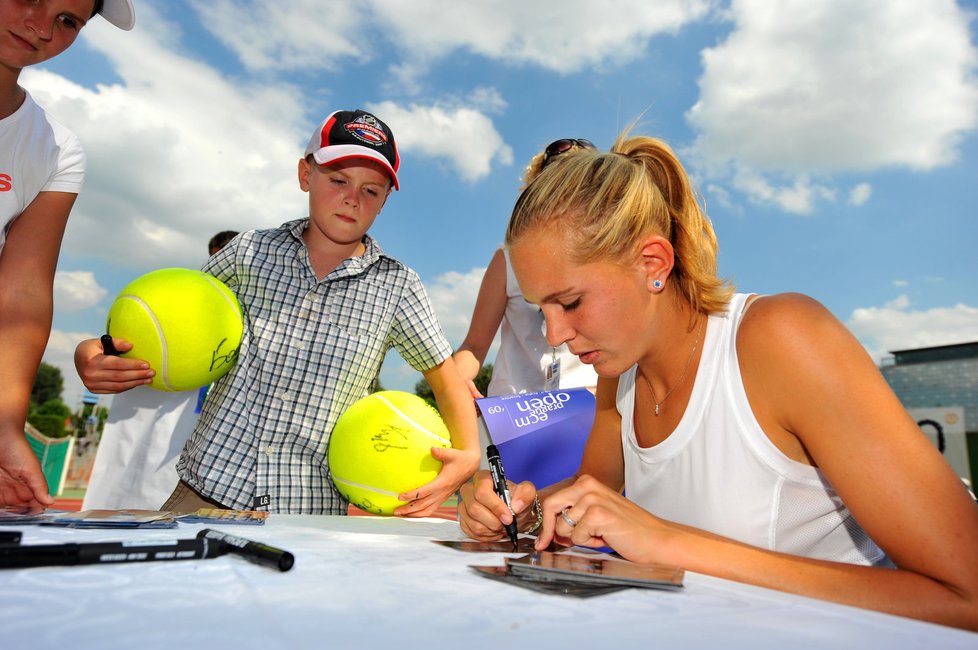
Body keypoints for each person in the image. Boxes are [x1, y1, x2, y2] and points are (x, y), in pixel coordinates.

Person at [457, 131, 978, 630]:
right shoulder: (619, 375)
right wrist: (518, 512)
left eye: (570, 302)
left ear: (653, 263)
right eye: (540, 307)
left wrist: (672, 544)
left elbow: (966, 595)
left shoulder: (784, 339)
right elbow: (585, 497)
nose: (554, 334)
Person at [76, 109, 480, 516]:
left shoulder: (398, 285)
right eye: (338, 180)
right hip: (206, 489)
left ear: (384, 201)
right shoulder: (247, 252)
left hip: (310, 510)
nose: (351, 198)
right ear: (306, 174)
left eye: (370, 190)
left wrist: (468, 453)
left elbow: (446, 380)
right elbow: (175, 320)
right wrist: (92, 350)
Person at [0, 0, 135, 509]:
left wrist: (5, 427)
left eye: (68, 21)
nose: (40, 27)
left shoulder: (55, 149)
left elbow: (23, 291)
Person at [79, 231, 240, 511]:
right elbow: (123, 344)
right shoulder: (178, 313)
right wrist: (89, 351)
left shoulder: (254, 325)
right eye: (216, 258)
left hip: (212, 473)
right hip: (151, 471)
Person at [454, 139, 598, 398]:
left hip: (591, 408)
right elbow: (474, 345)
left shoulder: (612, 260)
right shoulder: (507, 258)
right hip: (511, 411)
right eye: (555, 186)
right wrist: (454, 383)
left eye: (579, 187)